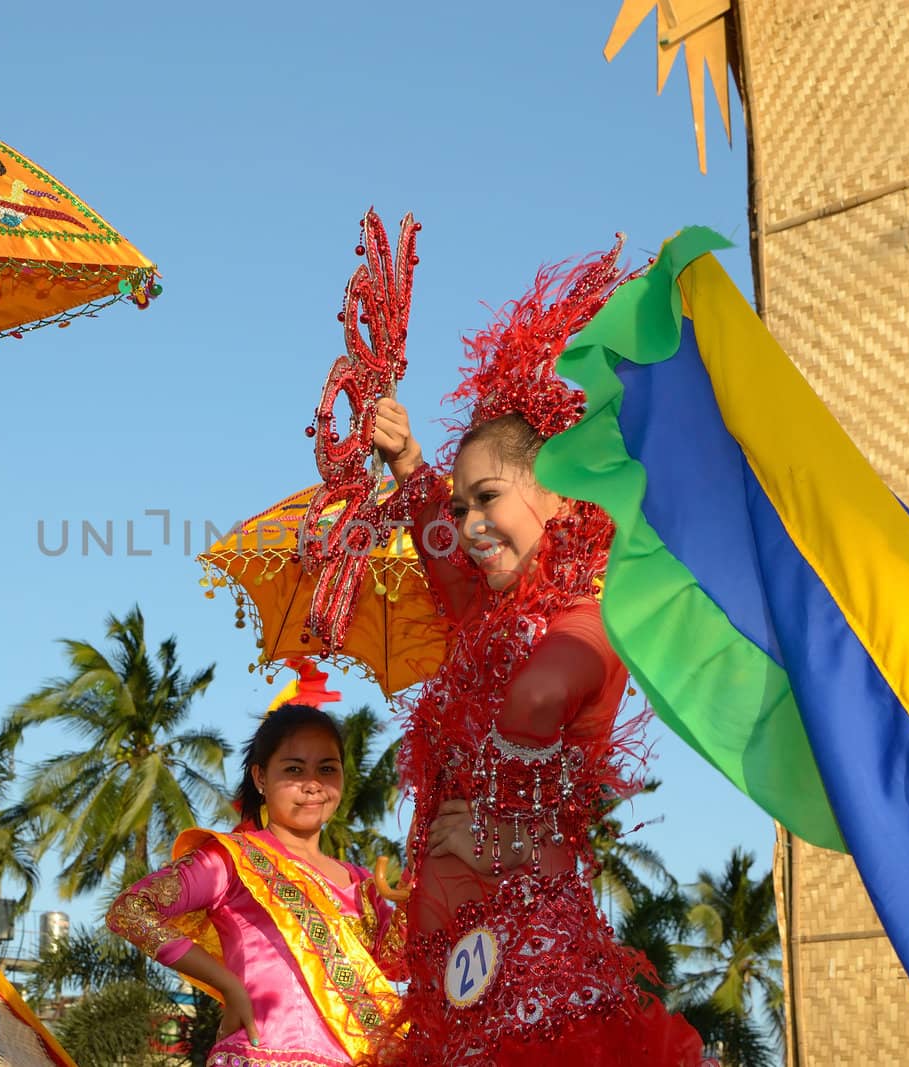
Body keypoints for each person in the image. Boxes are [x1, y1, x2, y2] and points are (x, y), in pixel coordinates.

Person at [369, 243, 706, 1065]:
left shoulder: (590, 608)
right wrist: (408, 459)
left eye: (489, 497)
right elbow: (441, 538)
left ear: (555, 488)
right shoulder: (484, 611)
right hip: (458, 982)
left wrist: (502, 826)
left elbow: (546, 689)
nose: (473, 523)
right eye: (464, 504)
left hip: (534, 983)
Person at [106, 695, 406, 1067]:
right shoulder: (233, 860)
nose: (313, 785)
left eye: (327, 769)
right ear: (261, 777)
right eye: (294, 770)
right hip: (261, 1055)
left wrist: (417, 892)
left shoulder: (361, 882)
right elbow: (131, 911)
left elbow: (397, 965)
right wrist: (229, 986)